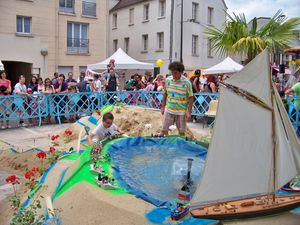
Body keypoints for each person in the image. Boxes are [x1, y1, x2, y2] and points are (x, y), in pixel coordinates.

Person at [161, 61, 193, 136]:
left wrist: (189, 111)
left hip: (181, 111)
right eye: (172, 72)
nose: (173, 75)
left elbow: (191, 97)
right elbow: (165, 93)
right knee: (164, 130)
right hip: (169, 109)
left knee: (181, 132)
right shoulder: (168, 80)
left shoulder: (186, 82)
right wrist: (163, 107)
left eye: (175, 73)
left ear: (181, 72)